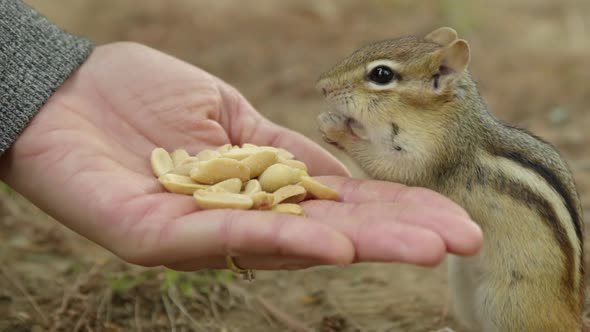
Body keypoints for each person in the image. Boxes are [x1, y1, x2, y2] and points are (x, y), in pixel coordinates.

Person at [0, 1, 482, 274]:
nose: (328, 89)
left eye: (378, 78)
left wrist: (352, 144)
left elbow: (410, 170)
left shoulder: (443, 138)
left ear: (440, 77)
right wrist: (38, 82)